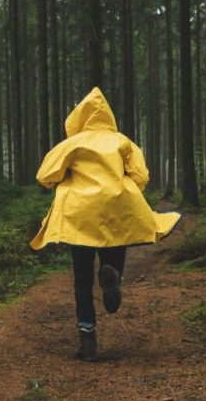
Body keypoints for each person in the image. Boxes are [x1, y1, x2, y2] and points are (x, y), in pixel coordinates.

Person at [31, 87, 181, 361]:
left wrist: (66, 177)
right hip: (116, 209)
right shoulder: (122, 141)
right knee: (113, 254)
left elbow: (45, 175)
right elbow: (141, 176)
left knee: (82, 279)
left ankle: (87, 339)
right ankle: (113, 276)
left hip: (80, 215)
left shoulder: (73, 144)